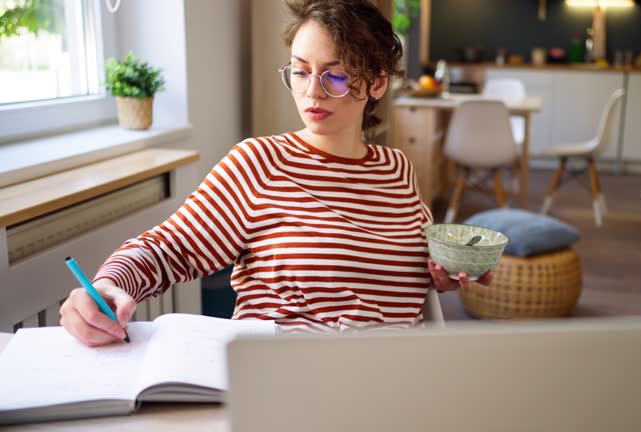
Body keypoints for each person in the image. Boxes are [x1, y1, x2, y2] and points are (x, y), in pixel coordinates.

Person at [59, 0, 493, 346]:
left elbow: (395, 268)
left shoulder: (397, 170)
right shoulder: (260, 162)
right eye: (301, 71)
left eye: (336, 76)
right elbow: (170, 248)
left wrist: (441, 271)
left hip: (389, 380)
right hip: (287, 379)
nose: (312, 91)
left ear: (377, 82)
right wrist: (109, 283)